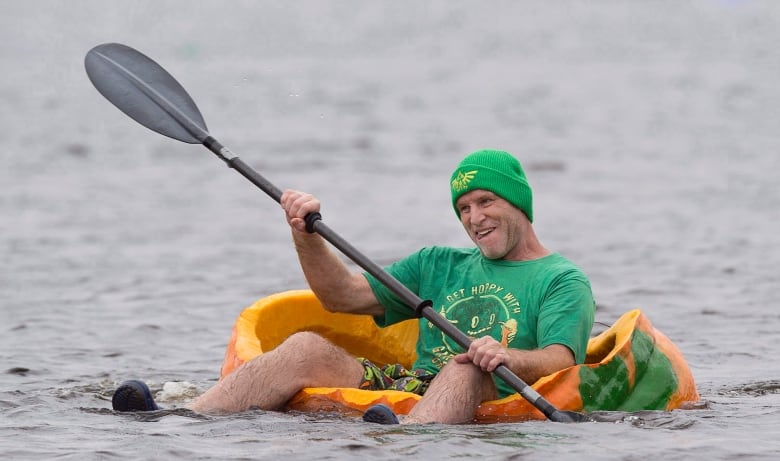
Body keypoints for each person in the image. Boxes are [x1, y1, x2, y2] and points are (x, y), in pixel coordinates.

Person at [112, 149, 595, 424]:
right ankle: (177, 420)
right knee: (304, 346)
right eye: (464, 208)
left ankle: (407, 446)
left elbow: (562, 359)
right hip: (414, 388)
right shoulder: (437, 263)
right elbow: (340, 296)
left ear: (519, 204)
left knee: (466, 366)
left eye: (486, 202)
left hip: (493, 391)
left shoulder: (561, 279)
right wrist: (304, 234)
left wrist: (506, 356)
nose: (474, 218)